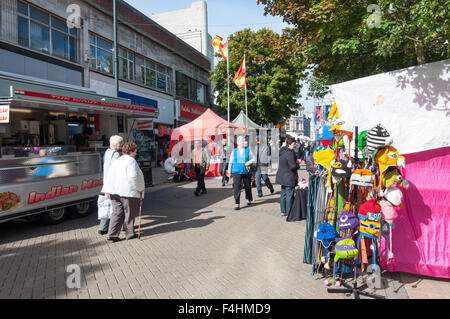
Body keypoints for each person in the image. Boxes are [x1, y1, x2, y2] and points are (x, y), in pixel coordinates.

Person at [101, 142, 145, 242]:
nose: (136, 153)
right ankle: (129, 234)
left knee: (116, 213)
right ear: (132, 151)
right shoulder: (131, 161)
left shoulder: (117, 160)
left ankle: (112, 234)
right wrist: (139, 188)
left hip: (114, 191)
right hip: (127, 192)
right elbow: (133, 177)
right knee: (129, 213)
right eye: (135, 151)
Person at [98, 135, 123, 235]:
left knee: (107, 205)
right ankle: (120, 227)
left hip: (106, 182)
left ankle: (103, 228)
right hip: (114, 183)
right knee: (118, 206)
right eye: (120, 143)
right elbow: (117, 169)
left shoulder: (107, 152)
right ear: (116, 144)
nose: (121, 145)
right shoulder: (116, 154)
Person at [276, 136, 301, 217]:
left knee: (283, 194)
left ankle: (283, 211)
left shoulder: (282, 151)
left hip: (282, 176)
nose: (295, 146)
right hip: (288, 177)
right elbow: (293, 166)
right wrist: (298, 163)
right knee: (289, 195)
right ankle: (290, 212)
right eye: (294, 144)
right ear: (289, 144)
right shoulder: (290, 153)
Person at [228, 136, 256, 210]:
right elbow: (230, 162)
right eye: (240, 141)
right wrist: (229, 171)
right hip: (236, 171)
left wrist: (249, 162)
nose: (242, 142)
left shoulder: (248, 149)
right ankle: (237, 203)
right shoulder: (234, 151)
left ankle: (248, 199)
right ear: (237, 142)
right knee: (237, 187)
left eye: (243, 141)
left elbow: (254, 158)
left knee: (247, 186)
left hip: (246, 171)